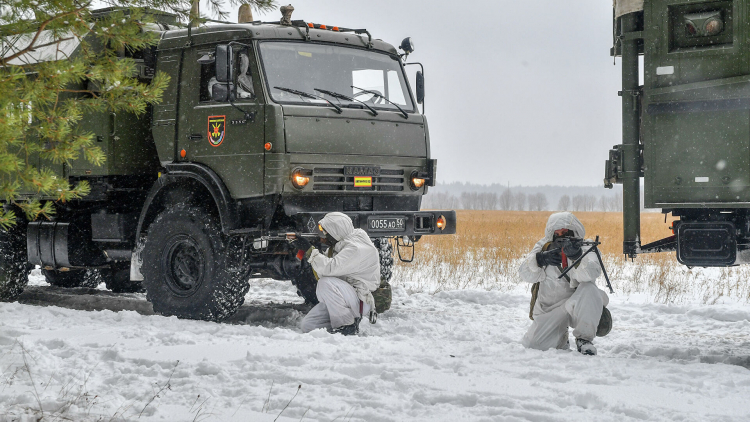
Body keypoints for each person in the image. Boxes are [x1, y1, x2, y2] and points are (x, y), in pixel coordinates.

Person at [519, 212, 610, 355]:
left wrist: (576, 256)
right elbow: (524, 274)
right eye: (558, 233)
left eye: (566, 232)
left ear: (574, 231)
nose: (562, 236)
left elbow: (591, 274)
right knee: (533, 345)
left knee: (589, 289)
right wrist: (540, 260)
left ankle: (584, 339)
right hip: (549, 310)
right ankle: (561, 339)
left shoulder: (587, 247)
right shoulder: (542, 247)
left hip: (575, 306)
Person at [296, 212, 380, 335]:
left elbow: (328, 269)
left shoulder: (355, 248)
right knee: (309, 326)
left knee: (325, 284)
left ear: (336, 231)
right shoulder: (340, 245)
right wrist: (307, 252)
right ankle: (339, 328)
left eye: (326, 233)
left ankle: (347, 325)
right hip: (344, 297)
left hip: (359, 299)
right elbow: (322, 272)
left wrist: (310, 250)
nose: (324, 236)